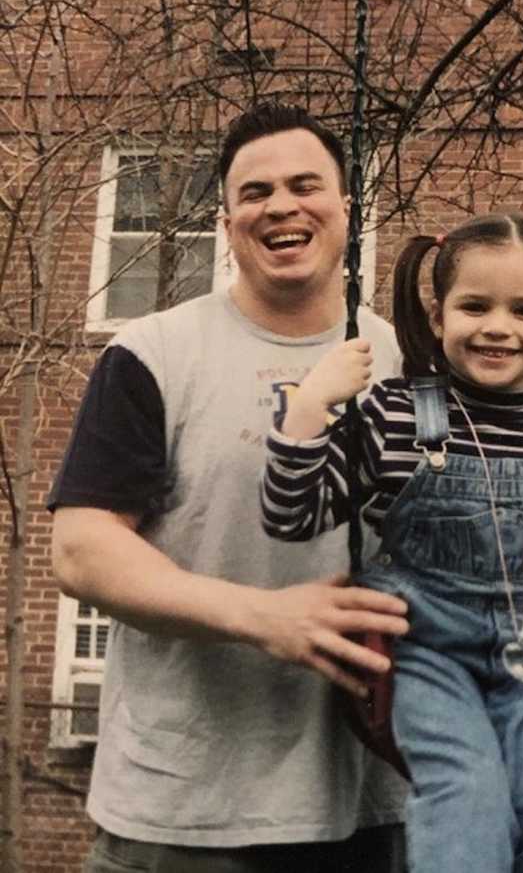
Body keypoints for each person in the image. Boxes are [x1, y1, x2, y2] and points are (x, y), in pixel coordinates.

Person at [261, 211, 523, 873]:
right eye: (475, 305)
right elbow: (294, 515)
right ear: (438, 317)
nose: (497, 326)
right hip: (430, 654)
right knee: (468, 799)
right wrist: (311, 407)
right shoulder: (396, 412)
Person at [48, 103, 410, 872]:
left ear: (346, 208)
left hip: (372, 804)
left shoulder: (411, 361)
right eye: (256, 192)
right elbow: (83, 550)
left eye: (306, 184)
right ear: (227, 221)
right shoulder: (153, 354)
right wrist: (264, 615)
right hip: (181, 814)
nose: (281, 204)